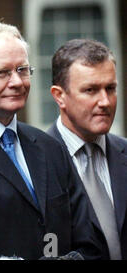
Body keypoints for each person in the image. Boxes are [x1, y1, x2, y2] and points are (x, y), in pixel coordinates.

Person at [0, 21, 101, 260]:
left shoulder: (49, 146)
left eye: (22, 70)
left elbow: (90, 242)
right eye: (2, 72)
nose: (16, 82)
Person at [48, 39, 127, 260]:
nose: (105, 101)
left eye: (110, 88)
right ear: (59, 96)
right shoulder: (37, 162)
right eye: (91, 90)